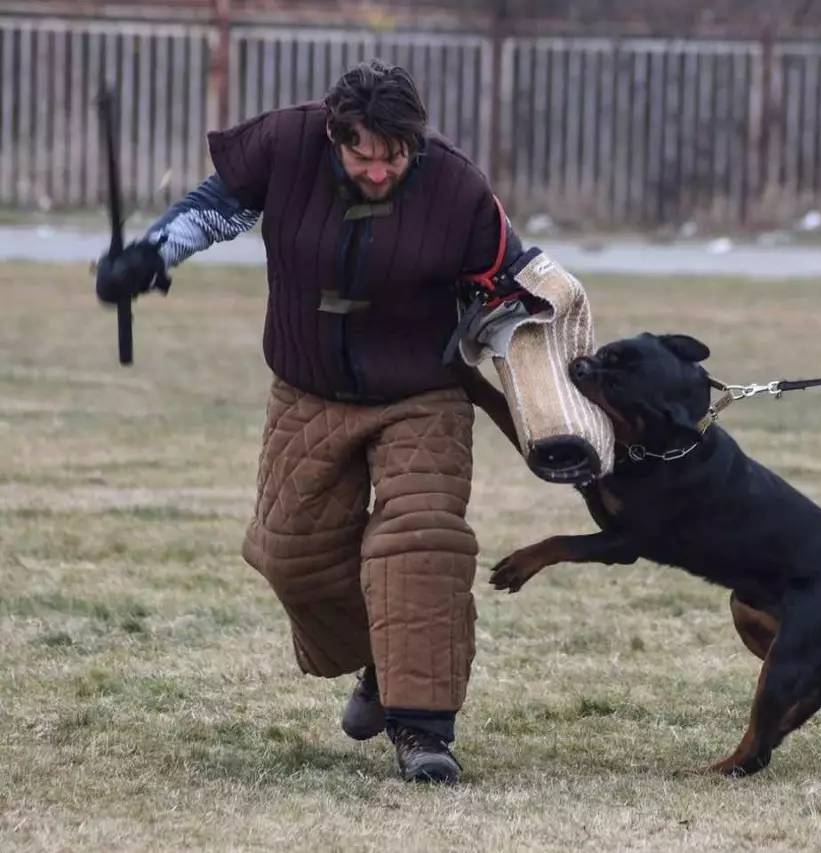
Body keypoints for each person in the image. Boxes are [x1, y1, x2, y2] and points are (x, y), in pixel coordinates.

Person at [95, 59, 525, 785]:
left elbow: (515, 277)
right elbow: (211, 209)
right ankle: (385, 664)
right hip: (309, 391)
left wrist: (552, 357)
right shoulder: (286, 145)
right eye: (365, 154)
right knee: (292, 555)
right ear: (334, 134)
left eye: (396, 155)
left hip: (423, 390)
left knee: (420, 540)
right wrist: (148, 258)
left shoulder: (456, 188)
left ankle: (423, 730)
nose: (382, 170)